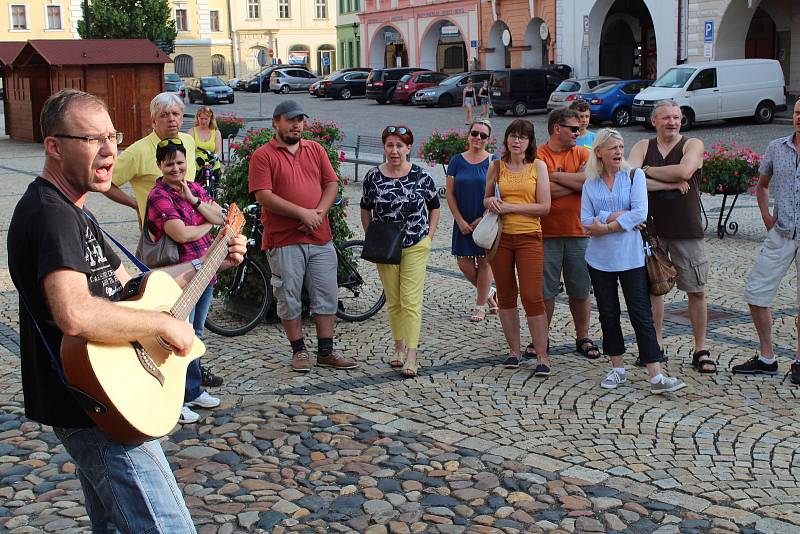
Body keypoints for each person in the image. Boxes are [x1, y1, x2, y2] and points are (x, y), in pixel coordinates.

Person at [7, 88, 246, 532]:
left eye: (112, 137)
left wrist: (208, 257)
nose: (109, 150)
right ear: (54, 147)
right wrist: (162, 325)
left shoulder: (76, 214)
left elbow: (133, 285)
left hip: (108, 396)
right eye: (92, 139)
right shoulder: (49, 213)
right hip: (94, 405)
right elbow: (75, 313)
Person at [249, 100, 357, 373]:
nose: (296, 125)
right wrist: (302, 214)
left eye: (300, 120)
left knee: (326, 293)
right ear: (276, 122)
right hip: (284, 238)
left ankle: (326, 351)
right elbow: (264, 196)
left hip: (320, 237)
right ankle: (298, 351)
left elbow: (331, 183)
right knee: (288, 295)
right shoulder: (263, 155)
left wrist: (318, 213)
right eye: (290, 119)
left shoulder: (315, 149)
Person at [580, 129, 687, 393]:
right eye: (612, 147)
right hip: (600, 260)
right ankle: (617, 368)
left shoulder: (634, 176)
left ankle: (655, 374)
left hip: (631, 258)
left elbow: (640, 213)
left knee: (641, 314)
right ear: (599, 153)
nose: (618, 151)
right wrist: (618, 216)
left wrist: (604, 224)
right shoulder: (590, 183)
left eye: (620, 146)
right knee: (608, 313)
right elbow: (585, 220)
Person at [144, 138, 225, 424]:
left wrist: (194, 201)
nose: (176, 168)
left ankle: (192, 390)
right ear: (159, 165)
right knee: (175, 339)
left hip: (206, 271)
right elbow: (180, 234)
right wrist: (207, 223)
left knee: (196, 336)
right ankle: (173, 400)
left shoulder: (194, 189)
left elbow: (221, 215)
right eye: (169, 163)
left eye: (180, 162)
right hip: (178, 277)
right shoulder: (158, 196)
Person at [628, 100, 710, 373]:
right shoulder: (643, 146)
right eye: (666, 118)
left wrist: (647, 173)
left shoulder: (692, 144)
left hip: (686, 229)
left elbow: (686, 171)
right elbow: (629, 176)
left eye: (676, 117)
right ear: (655, 122)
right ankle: (656, 344)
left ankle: (701, 348)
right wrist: (670, 183)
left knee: (696, 289)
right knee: (654, 288)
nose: (673, 122)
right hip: (651, 231)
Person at [361, 125, 440, 378]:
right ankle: (398, 347)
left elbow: (435, 207)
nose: (394, 151)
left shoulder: (422, 176)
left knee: (411, 301)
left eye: (399, 146)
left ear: (408, 148)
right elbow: (365, 207)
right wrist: (371, 235)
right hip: (386, 246)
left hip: (415, 245)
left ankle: (412, 354)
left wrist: (429, 237)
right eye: (389, 145)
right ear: (384, 147)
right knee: (394, 300)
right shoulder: (373, 177)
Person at [734, 99, 800, 381]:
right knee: (756, 293)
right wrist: (765, 215)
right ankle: (766, 357)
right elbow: (762, 186)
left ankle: (799, 362)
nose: (799, 118)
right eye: (797, 112)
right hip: (782, 232)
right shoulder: (777, 147)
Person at [483, 119, 552, 373]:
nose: (516, 141)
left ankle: (542, 356)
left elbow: (544, 207)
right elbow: (486, 197)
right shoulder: (496, 166)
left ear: (529, 142)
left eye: (522, 137)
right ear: (506, 139)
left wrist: (512, 207)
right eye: (513, 136)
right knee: (506, 294)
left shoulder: (538, 167)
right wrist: (490, 201)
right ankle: (514, 350)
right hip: (501, 238)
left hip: (529, 236)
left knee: (533, 297)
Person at [532, 109, 599, 361]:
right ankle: (541, 339)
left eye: (580, 128)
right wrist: (574, 183)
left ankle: (582, 336)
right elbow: (537, 192)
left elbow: (590, 181)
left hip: (578, 233)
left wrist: (553, 178)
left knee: (580, 289)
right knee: (545, 291)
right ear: (556, 128)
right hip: (544, 233)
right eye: (573, 128)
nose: (579, 132)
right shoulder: (537, 154)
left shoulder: (582, 152)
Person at [104, 92, 197, 226]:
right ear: (154, 122)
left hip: (191, 226)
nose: (171, 119)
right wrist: (135, 204)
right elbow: (107, 183)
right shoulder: (137, 152)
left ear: (182, 118)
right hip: (159, 233)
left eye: (175, 114)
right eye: (164, 115)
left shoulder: (189, 141)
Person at [445, 119, 498, 322]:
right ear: (468, 135)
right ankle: (490, 295)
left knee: (484, 263)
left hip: (485, 220)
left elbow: (498, 192)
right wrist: (459, 220)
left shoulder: (493, 160)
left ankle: (480, 306)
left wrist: (482, 218)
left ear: (488, 139)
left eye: (483, 135)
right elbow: (449, 193)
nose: (478, 138)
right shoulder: (456, 161)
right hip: (462, 220)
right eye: (475, 133)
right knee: (464, 265)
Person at [189, 106, 222, 185]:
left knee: (213, 191)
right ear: (197, 118)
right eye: (201, 118)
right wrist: (196, 158)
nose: (203, 121)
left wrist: (214, 158)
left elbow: (218, 150)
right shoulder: (192, 131)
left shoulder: (216, 132)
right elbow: (189, 149)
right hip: (197, 167)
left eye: (206, 119)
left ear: (210, 119)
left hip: (213, 167)